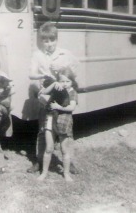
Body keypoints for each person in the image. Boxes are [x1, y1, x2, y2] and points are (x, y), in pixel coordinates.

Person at [28, 21, 79, 174]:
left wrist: (63, 70)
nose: (49, 44)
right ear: (41, 41)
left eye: (52, 40)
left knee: (66, 129)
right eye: (45, 40)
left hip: (63, 97)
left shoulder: (64, 54)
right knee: (44, 128)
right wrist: (43, 74)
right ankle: (39, 160)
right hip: (46, 95)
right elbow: (31, 74)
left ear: (56, 40)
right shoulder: (37, 55)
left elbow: (75, 71)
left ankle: (70, 162)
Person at [37, 67, 78, 182]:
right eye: (62, 81)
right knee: (49, 148)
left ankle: (66, 173)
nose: (64, 84)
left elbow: (72, 107)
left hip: (64, 122)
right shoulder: (56, 88)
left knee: (64, 149)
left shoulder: (72, 92)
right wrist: (54, 83)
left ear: (72, 82)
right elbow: (43, 92)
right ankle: (44, 173)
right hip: (50, 120)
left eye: (67, 81)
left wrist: (58, 107)